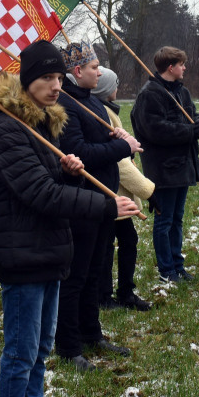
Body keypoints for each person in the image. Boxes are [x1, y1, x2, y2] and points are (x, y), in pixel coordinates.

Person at [0, 40, 139, 397]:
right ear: (28, 80)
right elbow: (41, 194)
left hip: (49, 251)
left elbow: (50, 185)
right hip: (23, 257)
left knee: (39, 353)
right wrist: (105, 205)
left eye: (58, 76)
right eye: (47, 77)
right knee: (20, 356)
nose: (56, 85)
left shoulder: (40, 125)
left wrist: (66, 171)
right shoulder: (7, 130)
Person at [55, 41, 142, 371]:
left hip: (104, 201)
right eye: (94, 67)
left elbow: (95, 142)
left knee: (96, 271)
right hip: (82, 201)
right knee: (77, 276)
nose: (100, 72)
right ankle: (69, 345)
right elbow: (80, 152)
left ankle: (93, 334)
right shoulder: (65, 104)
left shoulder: (88, 100)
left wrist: (115, 140)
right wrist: (120, 148)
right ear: (78, 71)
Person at [131, 46, 199, 284]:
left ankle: (178, 265)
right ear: (171, 67)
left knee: (177, 219)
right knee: (164, 221)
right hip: (163, 170)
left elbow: (194, 117)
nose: (185, 68)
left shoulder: (181, 92)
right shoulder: (150, 94)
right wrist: (190, 131)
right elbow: (155, 130)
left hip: (183, 167)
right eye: (182, 64)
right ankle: (167, 270)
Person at [91, 67, 155, 312]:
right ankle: (106, 296)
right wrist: (149, 191)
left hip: (115, 192)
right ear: (108, 89)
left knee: (124, 240)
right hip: (111, 193)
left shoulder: (107, 111)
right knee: (110, 244)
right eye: (115, 84)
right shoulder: (102, 114)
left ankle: (123, 292)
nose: (117, 88)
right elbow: (120, 162)